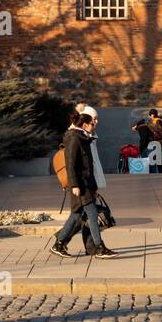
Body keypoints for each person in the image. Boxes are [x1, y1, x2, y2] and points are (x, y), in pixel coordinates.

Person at [51, 109, 114, 258]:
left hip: (86, 184)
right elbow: (71, 164)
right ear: (85, 125)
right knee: (92, 214)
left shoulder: (83, 137)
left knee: (75, 215)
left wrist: (94, 187)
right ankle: (99, 248)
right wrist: (75, 186)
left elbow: (88, 166)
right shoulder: (74, 138)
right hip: (80, 185)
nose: (95, 125)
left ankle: (59, 244)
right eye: (93, 123)